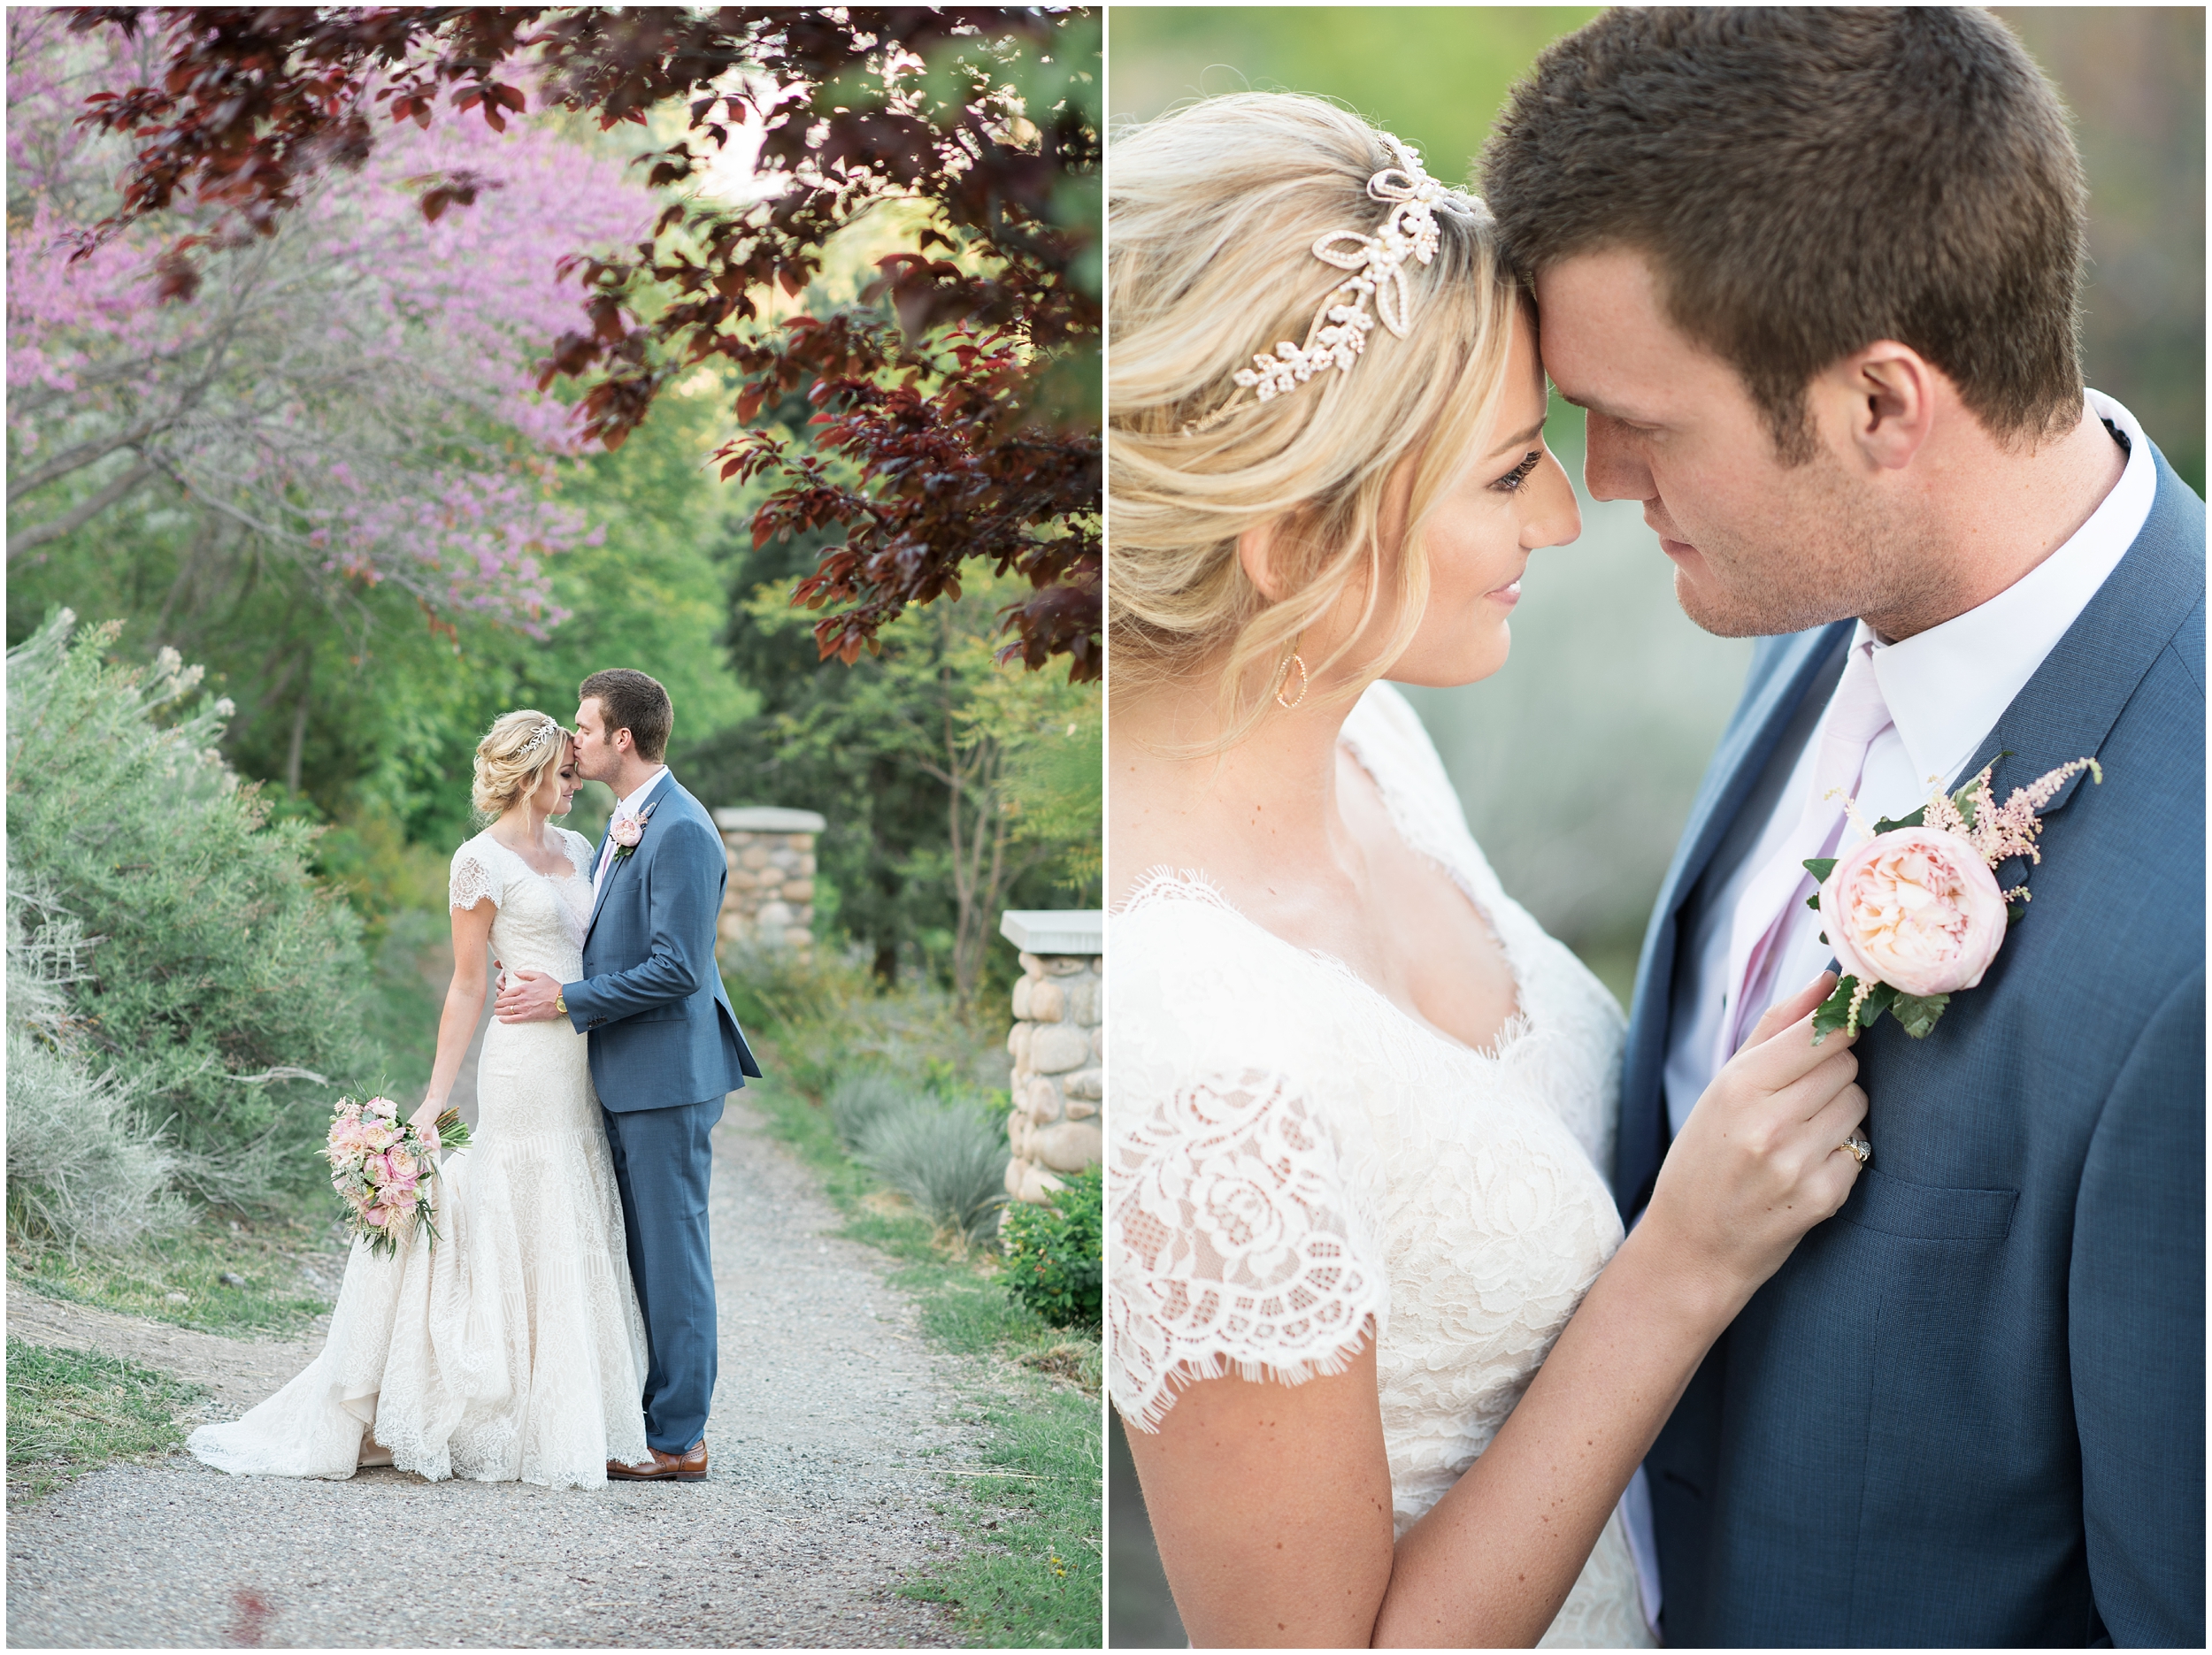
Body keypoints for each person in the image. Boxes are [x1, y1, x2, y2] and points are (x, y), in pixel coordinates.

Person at [1104, 92, 1872, 1647]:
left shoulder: (1375, 740)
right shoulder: (1199, 1070)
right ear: (1294, 535)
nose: (1567, 515)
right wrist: (1683, 1267)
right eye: (1509, 468)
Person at [1482, 8, 2204, 1645]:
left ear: (1884, 404)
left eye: (1647, 425)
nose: (1596, 482)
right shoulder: (1822, 607)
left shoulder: (2196, 939)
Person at [190, 712, 654, 1488]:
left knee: (570, 1199)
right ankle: (491, 1404)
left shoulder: (582, 848)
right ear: (533, 774)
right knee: (517, 1197)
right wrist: (436, 1097)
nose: (577, 782)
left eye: (578, 771)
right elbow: (469, 982)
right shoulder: (478, 863)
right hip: (522, 1062)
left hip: (580, 1053)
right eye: (566, 773)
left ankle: (565, 1401)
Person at [493, 668, 760, 1483]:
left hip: (667, 1076)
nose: (573, 739)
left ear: (622, 738)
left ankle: (678, 1438)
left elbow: (678, 968)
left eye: (584, 726)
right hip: (624, 1073)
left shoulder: (679, 829)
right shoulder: (624, 822)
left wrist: (566, 998)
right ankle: (646, 1417)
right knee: (639, 1251)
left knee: (672, 1255)